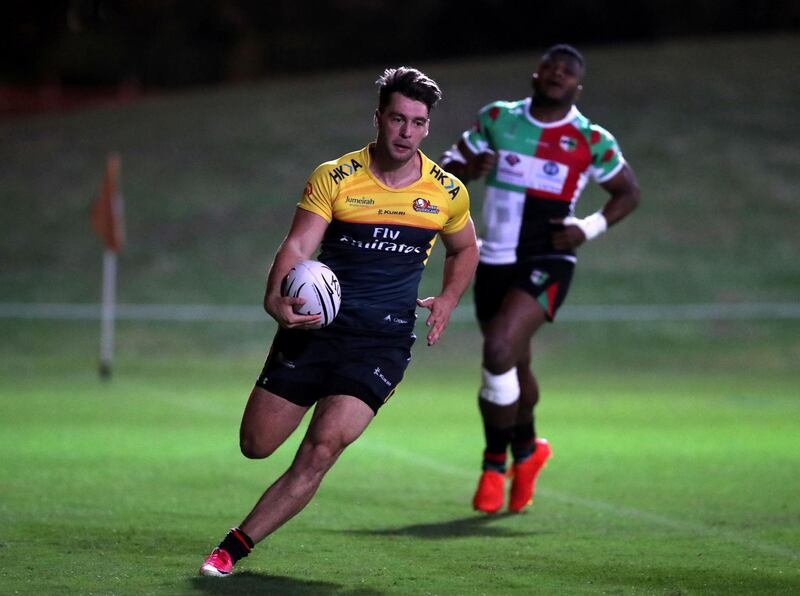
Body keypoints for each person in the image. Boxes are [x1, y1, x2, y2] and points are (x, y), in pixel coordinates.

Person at [198, 66, 479, 577]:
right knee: (255, 445)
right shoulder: (335, 176)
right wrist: (273, 297)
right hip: (313, 329)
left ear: (427, 128)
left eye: (417, 122)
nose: (406, 132)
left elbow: (465, 249)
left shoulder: (446, 191)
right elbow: (299, 245)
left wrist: (450, 298)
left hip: (382, 343)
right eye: (397, 119)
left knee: (323, 445)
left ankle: (234, 547)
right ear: (378, 118)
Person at [440, 44, 640, 514]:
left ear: (577, 86)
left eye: (568, 71)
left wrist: (586, 228)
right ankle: (528, 453)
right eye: (551, 66)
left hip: (548, 256)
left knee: (496, 349)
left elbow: (628, 192)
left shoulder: (590, 139)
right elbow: (442, 176)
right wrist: (467, 171)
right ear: (536, 74)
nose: (557, 74)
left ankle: (494, 464)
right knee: (514, 364)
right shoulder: (496, 119)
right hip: (493, 259)